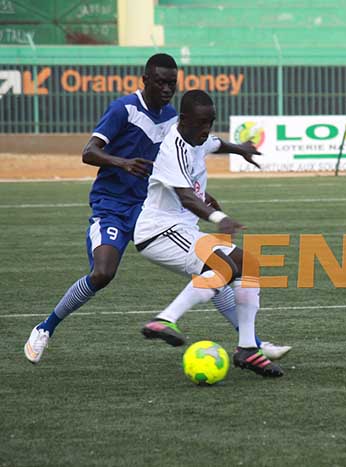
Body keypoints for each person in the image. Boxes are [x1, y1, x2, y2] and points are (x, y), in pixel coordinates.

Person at [24, 54, 289, 363]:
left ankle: (251, 343)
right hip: (113, 206)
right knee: (102, 273)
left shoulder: (174, 117)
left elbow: (185, 156)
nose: (166, 89)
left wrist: (207, 184)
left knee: (211, 267)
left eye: (171, 83)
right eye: (160, 82)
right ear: (145, 80)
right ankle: (45, 328)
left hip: (150, 207)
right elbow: (89, 152)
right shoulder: (124, 109)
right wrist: (122, 162)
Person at [134, 89, 283, 377]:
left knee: (247, 263)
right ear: (184, 119)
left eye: (210, 122)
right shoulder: (173, 149)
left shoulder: (197, 138)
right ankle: (164, 320)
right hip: (159, 231)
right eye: (201, 122)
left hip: (181, 229)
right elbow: (186, 197)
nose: (206, 129)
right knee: (222, 267)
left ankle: (248, 348)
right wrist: (219, 218)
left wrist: (240, 148)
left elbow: (216, 143)